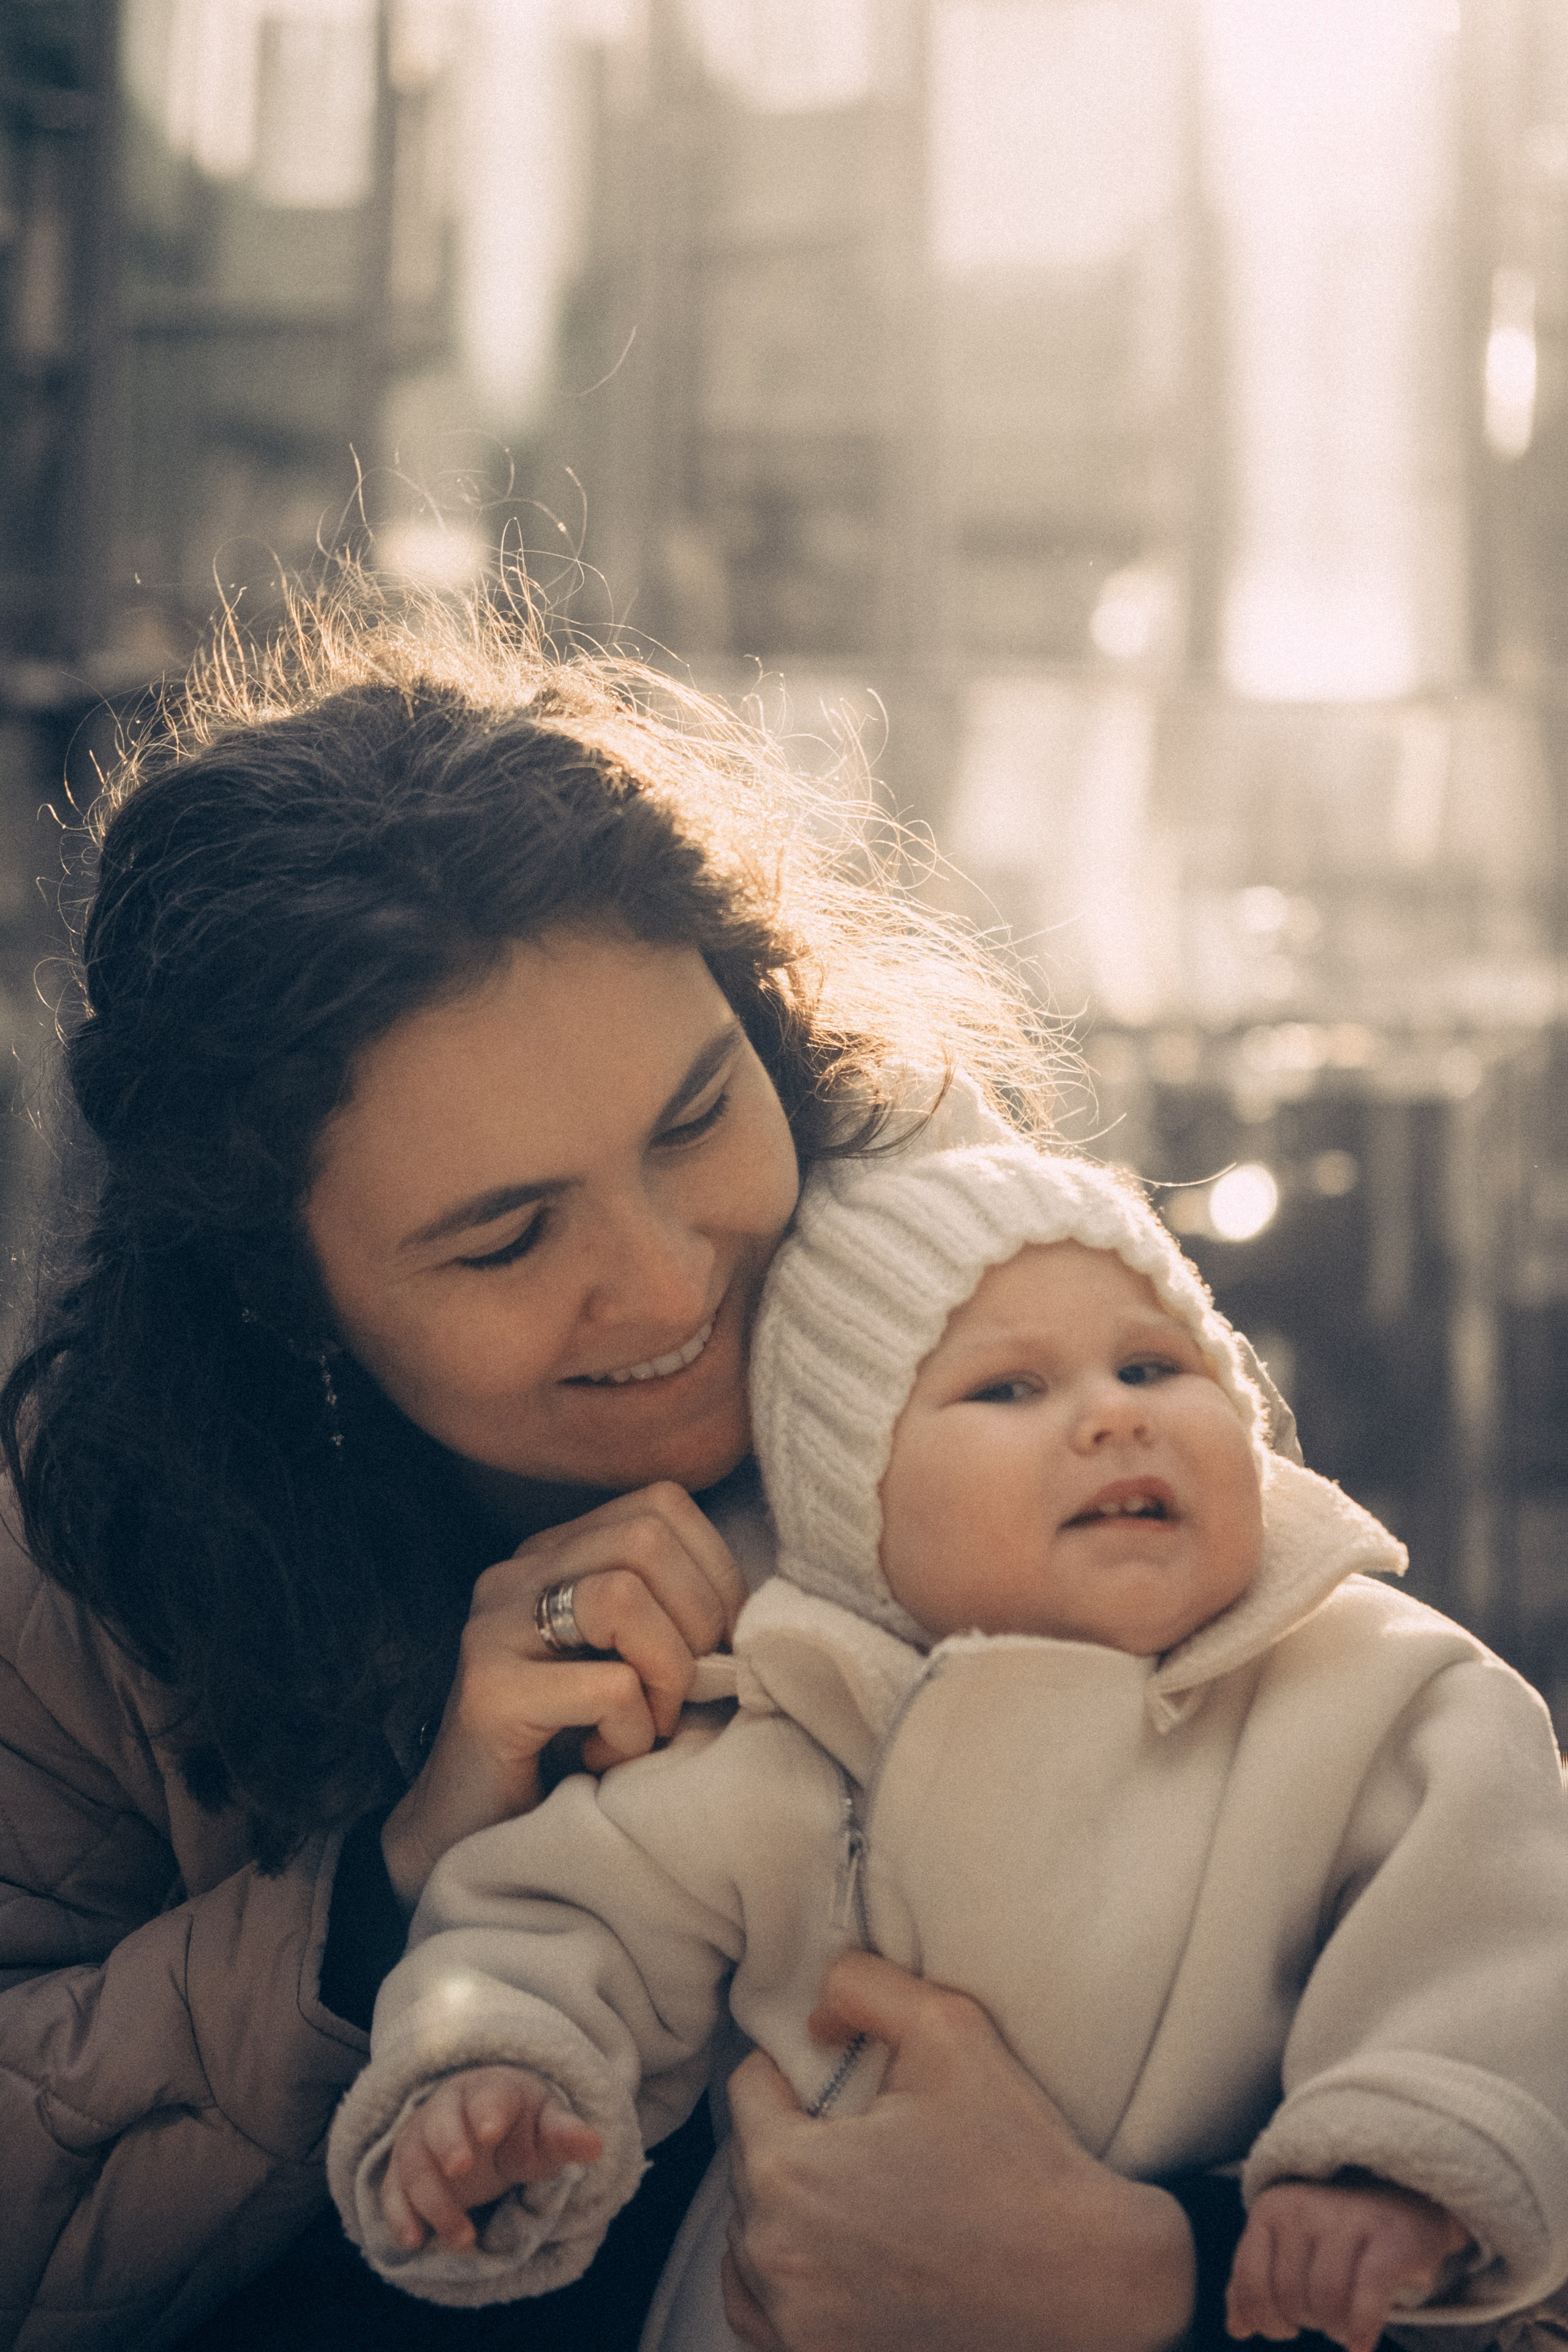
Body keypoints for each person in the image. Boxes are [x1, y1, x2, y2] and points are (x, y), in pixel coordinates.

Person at [0, 574, 1275, 2352]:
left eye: (698, 1117)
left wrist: (1157, 2281)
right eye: (507, 1240)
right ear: (280, 1301)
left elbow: (1445, 1928)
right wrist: (387, 1893)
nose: (677, 1280)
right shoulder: (91, 1558)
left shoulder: (1015, 1308)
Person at [326, 1142, 1568, 2352]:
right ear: (851, 1515)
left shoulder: (1374, 1689)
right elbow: (565, 1919)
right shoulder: (794, 1740)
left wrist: (1387, 2168)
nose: (1110, 1419)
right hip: (792, 2292)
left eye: (1152, 1365)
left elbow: (1485, 1939)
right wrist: (494, 2077)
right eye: (1008, 1389)